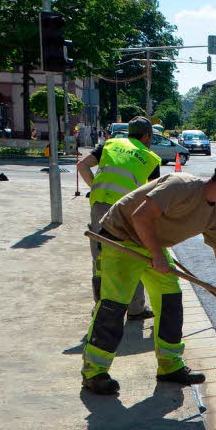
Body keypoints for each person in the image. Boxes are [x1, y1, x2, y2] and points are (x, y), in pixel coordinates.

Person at [80, 161, 216, 395]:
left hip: (152, 244)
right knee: (115, 304)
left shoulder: (214, 215)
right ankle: (94, 372)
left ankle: (169, 365)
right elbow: (140, 216)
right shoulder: (181, 185)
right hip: (122, 236)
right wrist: (157, 255)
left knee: (170, 299)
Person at [78, 116, 161, 320]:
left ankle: (101, 307)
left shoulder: (110, 144)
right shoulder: (150, 157)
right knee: (134, 255)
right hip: (128, 212)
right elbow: (154, 194)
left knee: (101, 257)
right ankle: (136, 309)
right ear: (147, 135)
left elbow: (82, 165)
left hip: (100, 206)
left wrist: (96, 188)